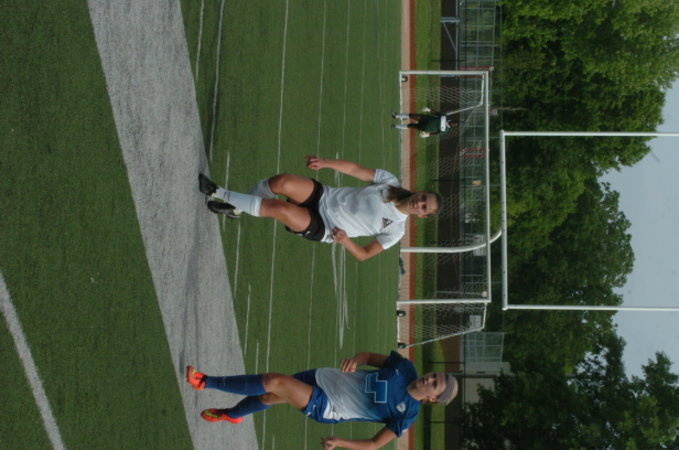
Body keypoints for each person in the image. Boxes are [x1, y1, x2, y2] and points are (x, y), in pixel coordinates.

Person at [186, 351, 458, 450]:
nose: (429, 380)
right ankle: (233, 415)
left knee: (274, 381)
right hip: (322, 377)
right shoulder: (405, 368)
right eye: (433, 376)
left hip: (328, 406)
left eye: (434, 385)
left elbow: (375, 444)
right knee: (269, 396)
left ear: (433, 398)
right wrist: (356, 360)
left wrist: (340, 442)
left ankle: (205, 381)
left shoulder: (407, 414)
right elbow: (368, 357)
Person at [198, 156, 441, 261]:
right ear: (420, 192)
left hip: (324, 227)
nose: (419, 203)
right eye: (423, 198)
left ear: (422, 215)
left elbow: (364, 255)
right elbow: (355, 169)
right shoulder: (390, 183)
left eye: (424, 207)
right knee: (281, 182)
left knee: (279, 208)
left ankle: (217, 191)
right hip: (324, 196)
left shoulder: (396, 230)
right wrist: (325, 163)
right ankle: (236, 209)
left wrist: (346, 241)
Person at [391, 107, 457, 138]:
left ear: (453, 127)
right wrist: (428, 110)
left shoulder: (445, 130)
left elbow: (436, 133)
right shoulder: (445, 117)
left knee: (410, 125)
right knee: (412, 115)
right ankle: (396, 116)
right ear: (453, 120)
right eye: (454, 123)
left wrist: (427, 135)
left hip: (425, 127)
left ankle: (395, 126)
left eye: (454, 125)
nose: (453, 124)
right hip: (426, 118)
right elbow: (436, 113)